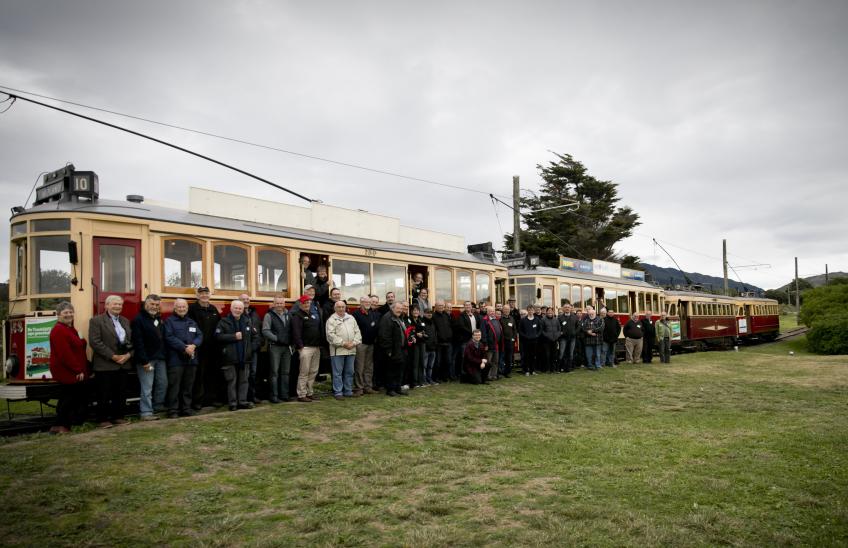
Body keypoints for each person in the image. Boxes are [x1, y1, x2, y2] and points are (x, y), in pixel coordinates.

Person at [88, 295, 133, 428]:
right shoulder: (96, 321)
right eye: (115, 304)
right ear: (106, 305)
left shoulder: (125, 321)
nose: (118, 306)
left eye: (120, 304)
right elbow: (95, 342)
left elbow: (132, 341)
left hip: (123, 363)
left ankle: (118, 417)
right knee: (104, 393)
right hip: (105, 364)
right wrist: (113, 356)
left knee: (120, 393)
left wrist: (129, 355)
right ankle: (102, 419)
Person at [48, 302, 90, 434]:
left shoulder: (70, 329)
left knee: (67, 397)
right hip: (66, 369)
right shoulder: (59, 330)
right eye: (65, 312)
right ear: (58, 314)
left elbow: (80, 343)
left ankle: (58, 425)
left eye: (71, 312)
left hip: (72, 369)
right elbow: (64, 354)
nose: (69, 315)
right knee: (68, 398)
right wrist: (77, 370)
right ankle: (62, 425)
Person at [216, 300, 258, 410]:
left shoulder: (247, 321)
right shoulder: (223, 322)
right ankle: (233, 403)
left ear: (243, 309)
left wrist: (250, 349)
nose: (238, 310)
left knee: (244, 381)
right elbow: (218, 337)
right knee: (231, 381)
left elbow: (256, 337)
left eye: (240, 308)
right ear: (231, 308)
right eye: (236, 308)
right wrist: (234, 336)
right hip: (229, 358)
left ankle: (243, 402)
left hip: (245, 357)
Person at [164, 298, 203, 418]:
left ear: (187, 308)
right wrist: (184, 347)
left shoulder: (191, 322)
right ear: (175, 308)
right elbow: (169, 337)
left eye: (184, 307)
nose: (182, 309)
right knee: (174, 386)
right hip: (176, 359)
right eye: (179, 307)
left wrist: (194, 345)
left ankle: (186, 408)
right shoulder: (169, 321)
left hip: (191, 359)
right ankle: (173, 410)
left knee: (188, 385)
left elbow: (200, 335)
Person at [131, 294, 167, 420]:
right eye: (152, 304)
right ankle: (146, 412)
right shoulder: (138, 320)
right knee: (147, 387)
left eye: (157, 305)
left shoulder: (157, 318)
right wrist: (144, 361)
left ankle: (157, 407)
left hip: (160, 358)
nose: (154, 307)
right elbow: (138, 342)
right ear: (146, 304)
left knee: (163, 383)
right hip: (147, 360)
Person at [188, 286, 221, 409]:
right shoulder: (192, 309)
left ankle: (211, 399)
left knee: (212, 373)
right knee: (198, 375)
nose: (204, 296)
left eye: (206, 293)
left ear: (209, 295)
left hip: (212, 348)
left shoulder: (213, 309)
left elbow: (219, 326)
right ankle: (197, 402)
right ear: (197, 296)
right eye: (201, 293)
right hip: (199, 348)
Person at [326, 300, 362, 399]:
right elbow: (330, 336)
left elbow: (357, 332)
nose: (341, 309)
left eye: (343, 307)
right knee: (337, 373)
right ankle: (338, 392)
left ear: (345, 307)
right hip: (338, 351)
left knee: (350, 372)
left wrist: (354, 343)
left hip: (351, 350)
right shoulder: (331, 320)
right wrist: (343, 343)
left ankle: (348, 391)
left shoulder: (351, 318)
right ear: (335, 308)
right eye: (339, 307)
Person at [262, 295, 293, 403]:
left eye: (281, 303)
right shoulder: (269, 315)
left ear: (284, 304)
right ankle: (274, 396)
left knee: (285, 372)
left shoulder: (288, 314)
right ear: (274, 304)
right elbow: (265, 331)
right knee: (274, 372)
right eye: (277, 303)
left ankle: (284, 395)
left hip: (286, 347)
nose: (279, 305)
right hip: (275, 346)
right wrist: (277, 339)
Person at [291, 294, 322, 402]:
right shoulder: (297, 315)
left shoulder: (313, 315)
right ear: (300, 304)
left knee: (313, 371)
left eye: (308, 303)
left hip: (316, 347)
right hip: (305, 348)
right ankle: (301, 394)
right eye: (305, 303)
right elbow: (296, 333)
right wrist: (300, 347)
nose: (307, 304)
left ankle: (310, 392)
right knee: (304, 372)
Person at [378, 302, 408, 396]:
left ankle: (397, 388)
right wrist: (389, 350)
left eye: (401, 308)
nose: (400, 310)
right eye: (398, 308)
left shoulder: (399, 317)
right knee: (391, 371)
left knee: (399, 370)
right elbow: (384, 336)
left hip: (400, 349)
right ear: (392, 308)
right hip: (392, 350)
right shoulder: (387, 318)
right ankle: (390, 390)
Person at [239, 293, 264, 404]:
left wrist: (257, 344)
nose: (246, 301)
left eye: (247, 299)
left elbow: (258, 331)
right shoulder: (237, 313)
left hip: (253, 349)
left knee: (253, 373)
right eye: (243, 299)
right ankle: (241, 398)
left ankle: (252, 396)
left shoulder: (254, 313)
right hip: (242, 349)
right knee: (242, 374)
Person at [352, 297, 380, 395]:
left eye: (369, 302)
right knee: (359, 367)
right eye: (365, 302)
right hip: (361, 344)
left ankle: (368, 386)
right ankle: (359, 388)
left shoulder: (371, 313)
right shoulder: (356, 314)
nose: (368, 303)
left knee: (369, 367)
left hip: (371, 344)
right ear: (361, 302)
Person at [432, 300, 454, 381]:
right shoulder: (433, 316)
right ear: (436, 306)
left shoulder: (446, 315)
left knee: (447, 361)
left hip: (448, 342)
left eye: (442, 306)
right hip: (439, 343)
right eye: (439, 306)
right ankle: (436, 377)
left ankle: (445, 377)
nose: (441, 307)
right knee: (438, 362)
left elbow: (450, 326)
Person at [480, 306, 502, 381]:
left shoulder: (496, 320)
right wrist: (485, 344)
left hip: (496, 345)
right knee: (488, 362)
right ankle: (487, 376)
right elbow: (483, 333)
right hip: (489, 345)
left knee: (495, 361)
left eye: (493, 311)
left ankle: (494, 375)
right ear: (487, 312)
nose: (492, 312)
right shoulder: (484, 320)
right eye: (490, 311)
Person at [518, 305, 542, 375]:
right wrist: (525, 336)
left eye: (532, 310)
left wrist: (537, 335)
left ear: (533, 311)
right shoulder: (523, 320)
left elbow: (540, 329)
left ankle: (533, 370)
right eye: (529, 310)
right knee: (526, 356)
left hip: (534, 341)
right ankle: (526, 370)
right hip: (526, 341)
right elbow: (520, 330)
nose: (530, 311)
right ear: (527, 311)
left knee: (533, 356)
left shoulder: (537, 319)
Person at [580, 306, 605, 371]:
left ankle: (597, 365)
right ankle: (590, 365)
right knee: (589, 354)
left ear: (595, 313)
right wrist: (589, 332)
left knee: (597, 354)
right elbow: (583, 329)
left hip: (597, 340)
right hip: (588, 341)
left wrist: (592, 331)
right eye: (590, 314)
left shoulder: (600, 319)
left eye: (592, 314)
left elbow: (601, 328)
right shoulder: (586, 320)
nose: (591, 315)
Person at [558, 304, 579, 372]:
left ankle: (569, 368)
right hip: (563, 338)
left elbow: (578, 326)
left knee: (571, 353)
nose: (567, 308)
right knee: (561, 353)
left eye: (568, 307)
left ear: (570, 309)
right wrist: (560, 332)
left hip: (572, 338)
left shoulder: (575, 317)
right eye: (566, 307)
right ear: (563, 309)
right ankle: (561, 367)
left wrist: (575, 332)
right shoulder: (560, 317)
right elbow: (558, 327)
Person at [540, 307, 561, 373]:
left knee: (554, 355)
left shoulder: (556, 320)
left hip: (554, 340)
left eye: (551, 311)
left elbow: (559, 329)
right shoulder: (543, 320)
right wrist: (547, 336)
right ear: (546, 312)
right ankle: (547, 369)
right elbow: (541, 330)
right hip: (546, 341)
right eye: (548, 311)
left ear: (553, 312)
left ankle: (553, 369)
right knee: (547, 355)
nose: (550, 313)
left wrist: (557, 336)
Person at [422, 308, 438, 385]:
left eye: (430, 313)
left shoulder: (433, 322)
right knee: (424, 366)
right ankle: (424, 380)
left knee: (430, 366)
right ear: (424, 313)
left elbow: (435, 334)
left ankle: (429, 379)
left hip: (433, 347)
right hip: (426, 347)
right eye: (427, 313)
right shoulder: (422, 322)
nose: (429, 314)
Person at [499, 304, 516, 378]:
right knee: (501, 357)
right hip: (502, 341)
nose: (506, 311)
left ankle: (507, 372)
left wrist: (513, 338)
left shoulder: (512, 319)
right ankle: (500, 371)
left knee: (509, 357)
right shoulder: (500, 319)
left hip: (510, 342)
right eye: (505, 309)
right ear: (503, 310)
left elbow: (514, 330)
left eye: (508, 309)